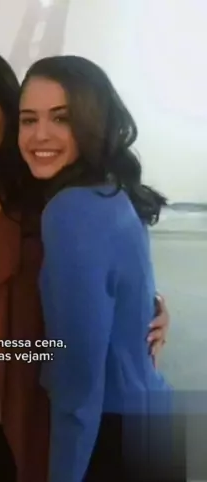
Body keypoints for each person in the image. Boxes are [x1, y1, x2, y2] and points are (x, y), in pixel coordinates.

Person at [0, 47, 170, 482]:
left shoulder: (50, 200)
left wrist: (151, 308)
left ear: (6, 113)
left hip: (40, 427)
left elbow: (103, 285)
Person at [18, 55, 184, 482]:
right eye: (28, 119)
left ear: (93, 122)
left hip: (108, 436)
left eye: (61, 118)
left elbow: (79, 378)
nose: (39, 134)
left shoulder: (70, 209)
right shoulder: (111, 194)